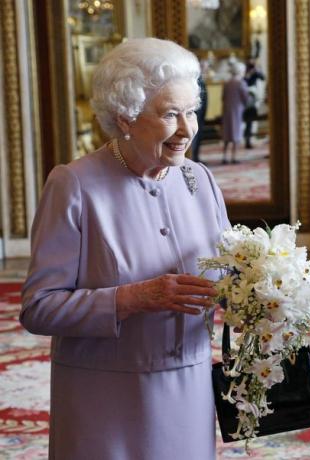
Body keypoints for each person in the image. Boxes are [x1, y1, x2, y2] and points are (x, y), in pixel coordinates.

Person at [20, 38, 230, 460]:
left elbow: (230, 274)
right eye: (171, 114)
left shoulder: (199, 179)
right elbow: (38, 308)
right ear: (125, 117)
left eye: (191, 111)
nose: (188, 129)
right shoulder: (74, 185)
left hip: (188, 389)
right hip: (106, 398)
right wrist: (132, 298)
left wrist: (260, 296)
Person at [221, 62, 248, 164]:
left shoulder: (227, 83)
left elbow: (223, 98)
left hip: (227, 111)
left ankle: (224, 156)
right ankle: (234, 157)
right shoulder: (241, 83)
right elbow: (245, 98)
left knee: (227, 134)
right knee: (236, 134)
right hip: (237, 111)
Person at [243, 57, 265, 149]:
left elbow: (263, 78)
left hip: (254, 96)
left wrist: (258, 70)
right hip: (246, 96)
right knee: (247, 120)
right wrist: (249, 74)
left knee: (251, 120)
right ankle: (247, 140)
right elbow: (244, 81)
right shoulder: (245, 70)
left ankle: (249, 140)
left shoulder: (255, 70)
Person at [191, 74, 207, 162]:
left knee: (198, 139)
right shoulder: (196, 80)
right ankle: (192, 158)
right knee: (194, 139)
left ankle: (195, 157)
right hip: (196, 116)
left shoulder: (201, 79)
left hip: (200, 116)